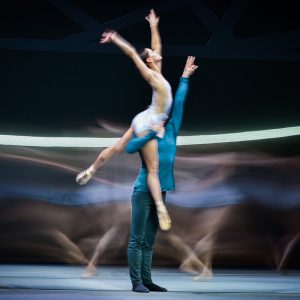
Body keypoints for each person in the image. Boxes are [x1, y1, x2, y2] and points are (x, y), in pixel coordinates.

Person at [77, 56, 198, 292]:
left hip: (161, 190)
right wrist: (92, 169)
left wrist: (184, 77)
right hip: (143, 190)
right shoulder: (144, 134)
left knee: (150, 240)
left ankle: (147, 279)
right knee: (137, 238)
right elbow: (124, 148)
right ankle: (136, 282)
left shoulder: (172, 129)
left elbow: (180, 102)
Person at [78, 9, 172, 231]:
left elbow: (157, 47)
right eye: (152, 53)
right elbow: (133, 54)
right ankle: (160, 207)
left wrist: (153, 26)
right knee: (153, 170)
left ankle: (91, 169)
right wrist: (116, 38)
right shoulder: (152, 76)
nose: (158, 52)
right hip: (149, 122)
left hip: (145, 115)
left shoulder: (157, 70)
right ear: (149, 60)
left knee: (120, 144)